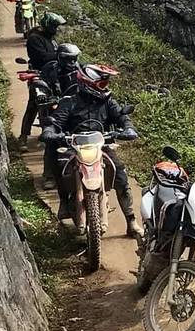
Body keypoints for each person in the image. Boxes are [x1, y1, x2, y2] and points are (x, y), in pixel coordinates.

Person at [42, 65, 142, 238]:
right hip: (75, 147)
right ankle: (64, 201)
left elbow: (121, 117)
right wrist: (51, 131)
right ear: (89, 84)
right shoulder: (69, 102)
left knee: (120, 176)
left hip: (101, 146)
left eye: (105, 84)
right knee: (60, 164)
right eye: (102, 84)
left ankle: (131, 221)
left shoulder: (108, 102)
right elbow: (56, 121)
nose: (105, 88)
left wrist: (128, 128)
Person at [36, 42, 83, 187]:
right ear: (60, 58)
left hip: (76, 108)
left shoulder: (81, 69)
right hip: (55, 109)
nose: (72, 62)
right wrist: (42, 94)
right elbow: (41, 84)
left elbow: (91, 81)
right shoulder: (50, 69)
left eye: (74, 58)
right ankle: (49, 176)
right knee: (51, 141)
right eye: (68, 59)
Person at [17, 13, 67, 147]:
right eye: (55, 26)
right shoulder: (34, 39)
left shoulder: (51, 39)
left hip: (54, 74)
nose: (56, 29)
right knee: (34, 102)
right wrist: (59, 55)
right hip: (39, 74)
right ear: (48, 26)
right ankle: (23, 136)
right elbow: (42, 57)